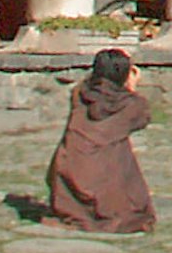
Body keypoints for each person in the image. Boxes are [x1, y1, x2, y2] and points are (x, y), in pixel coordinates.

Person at [42, 48, 156, 232]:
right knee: (115, 154)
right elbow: (141, 120)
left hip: (68, 171)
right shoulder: (132, 104)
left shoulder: (79, 94)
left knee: (108, 146)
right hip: (100, 178)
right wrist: (132, 87)